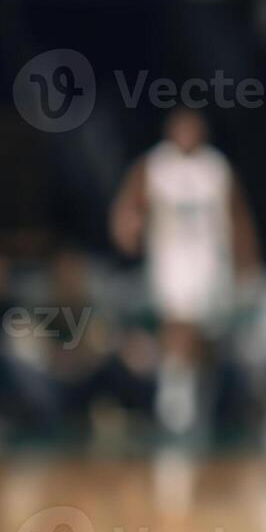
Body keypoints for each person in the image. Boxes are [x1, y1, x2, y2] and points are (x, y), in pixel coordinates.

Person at [109, 108, 258, 438]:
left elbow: (238, 215)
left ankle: (195, 389)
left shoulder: (216, 167)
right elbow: (128, 203)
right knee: (178, 319)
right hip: (170, 257)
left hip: (209, 260)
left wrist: (246, 261)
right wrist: (127, 226)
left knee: (206, 333)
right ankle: (174, 396)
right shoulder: (155, 165)